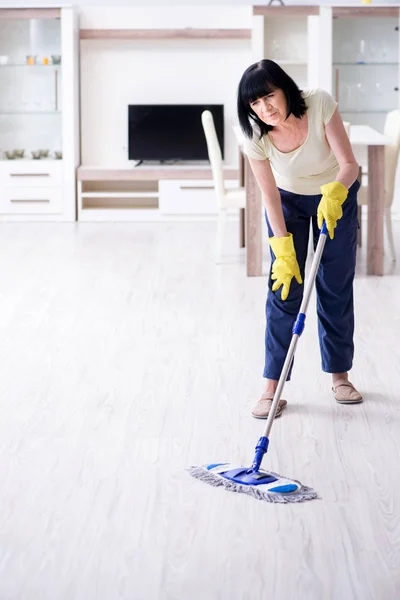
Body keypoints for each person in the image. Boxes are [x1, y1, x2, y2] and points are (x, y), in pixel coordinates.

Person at [237, 59, 363, 419]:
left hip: (335, 197)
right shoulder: (255, 136)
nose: (265, 109)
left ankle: (340, 377)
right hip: (287, 203)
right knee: (284, 289)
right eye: (255, 104)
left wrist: (336, 191)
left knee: (334, 286)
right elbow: (269, 195)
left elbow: (349, 164)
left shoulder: (320, 104)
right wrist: (283, 249)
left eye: (269, 97)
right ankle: (271, 387)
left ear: (285, 89)